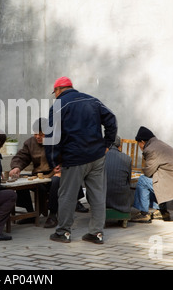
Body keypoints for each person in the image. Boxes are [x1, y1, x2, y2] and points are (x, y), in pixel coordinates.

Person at [45, 76, 117, 244]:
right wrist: (107, 143)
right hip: (97, 157)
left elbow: (52, 136)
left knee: (67, 196)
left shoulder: (58, 105)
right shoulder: (93, 100)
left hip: (74, 158)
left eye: (54, 93)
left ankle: (63, 232)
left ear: (58, 90)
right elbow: (111, 120)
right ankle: (96, 233)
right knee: (98, 195)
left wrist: (53, 161)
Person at [9, 118, 88, 229]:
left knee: (56, 182)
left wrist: (62, 168)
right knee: (21, 182)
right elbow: (21, 157)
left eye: (41, 134)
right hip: (39, 176)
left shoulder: (59, 141)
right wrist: (16, 167)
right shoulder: (30, 143)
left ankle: (52, 215)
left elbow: (70, 156)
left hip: (56, 175)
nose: (38, 137)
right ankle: (31, 213)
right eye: (36, 134)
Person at [130, 126, 173, 223]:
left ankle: (144, 213)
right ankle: (161, 211)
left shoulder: (150, 149)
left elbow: (148, 172)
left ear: (142, 142)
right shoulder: (159, 144)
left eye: (139, 144)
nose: (139, 146)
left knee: (142, 180)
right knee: (157, 178)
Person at [105, 136, 133, 214]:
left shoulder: (99, 158)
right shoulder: (127, 159)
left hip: (100, 199)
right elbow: (128, 180)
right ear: (120, 147)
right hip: (121, 200)